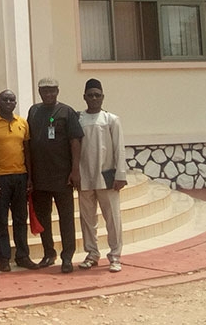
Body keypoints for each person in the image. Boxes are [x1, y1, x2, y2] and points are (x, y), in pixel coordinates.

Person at [26, 77, 83, 274]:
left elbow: (76, 142)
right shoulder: (33, 111)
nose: (48, 94)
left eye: (52, 90)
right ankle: (49, 253)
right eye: (44, 91)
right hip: (40, 177)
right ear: (39, 92)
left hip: (62, 176)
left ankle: (67, 256)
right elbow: (29, 143)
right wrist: (30, 177)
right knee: (43, 218)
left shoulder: (67, 112)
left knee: (66, 218)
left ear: (57, 91)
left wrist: (75, 170)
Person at [0, 90, 39, 272]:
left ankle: (23, 256)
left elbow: (28, 151)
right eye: (5, 99)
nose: (8, 102)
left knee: (20, 219)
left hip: (20, 176)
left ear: (15, 103)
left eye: (12, 99)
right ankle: (4, 257)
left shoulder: (23, 123)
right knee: (0, 220)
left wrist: (30, 177)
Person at [78, 78, 127, 273]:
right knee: (87, 219)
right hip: (84, 175)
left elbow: (119, 148)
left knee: (113, 218)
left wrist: (120, 174)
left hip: (107, 176)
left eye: (97, 95)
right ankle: (92, 254)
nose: (94, 98)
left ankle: (115, 255)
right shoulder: (78, 119)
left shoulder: (111, 119)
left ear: (103, 97)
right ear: (84, 97)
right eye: (90, 95)